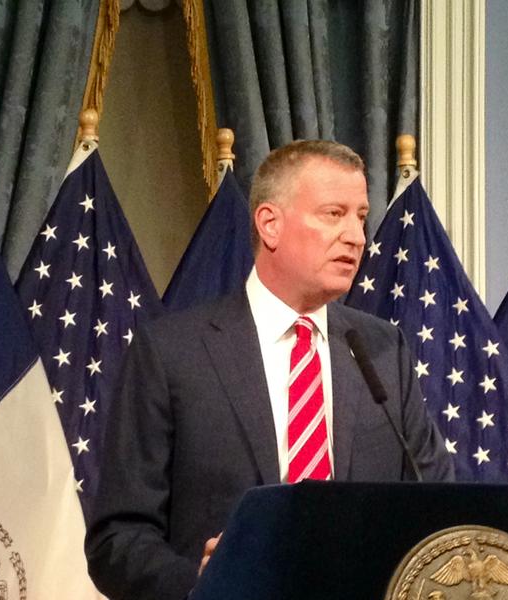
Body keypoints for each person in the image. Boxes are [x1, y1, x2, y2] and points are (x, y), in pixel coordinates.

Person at [85, 140, 454, 600]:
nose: (357, 236)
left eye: (360, 216)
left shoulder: (383, 350)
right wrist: (201, 582)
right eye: (333, 214)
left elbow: (440, 507)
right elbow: (117, 539)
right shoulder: (172, 353)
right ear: (270, 224)